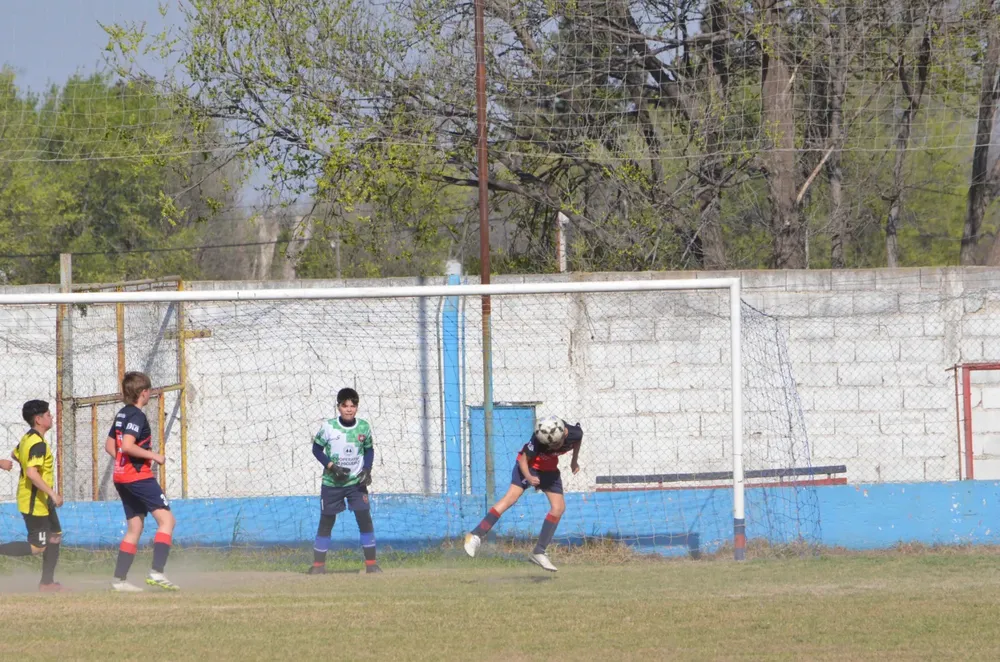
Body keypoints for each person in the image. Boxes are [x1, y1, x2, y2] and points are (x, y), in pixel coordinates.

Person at [464, 416, 583, 572]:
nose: (554, 447)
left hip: (549, 471)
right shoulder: (538, 439)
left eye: (556, 444)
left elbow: (577, 442)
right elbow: (522, 460)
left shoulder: (575, 433)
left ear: (563, 434)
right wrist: (528, 477)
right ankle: (475, 535)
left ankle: (539, 551)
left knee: (559, 508)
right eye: (550, 445)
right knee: (510, 498)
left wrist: (574, 461)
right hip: (529, 468)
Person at [105, 371, 178, 592]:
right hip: (138, 477)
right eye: (149, 391)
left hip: (121, 477)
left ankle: (119, 580)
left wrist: (123, 464)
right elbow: (126, 445)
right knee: (167, 521)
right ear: (143, 393)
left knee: (135, 526)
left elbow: (110, 446)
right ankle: (157, 572)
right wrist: (153, 456)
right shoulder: (137, 416)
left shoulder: (121, 414)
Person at [308, 387, 381, 575]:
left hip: (356, 483)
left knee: (364, 519)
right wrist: (333, 467)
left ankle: (371, 564)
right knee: (327, 521)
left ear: (357, 407)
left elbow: (369, 450)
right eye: (345, 406)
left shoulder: (363, 427)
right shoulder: (329, 427)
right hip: (333, 484)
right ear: (338, 407)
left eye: (352, 406)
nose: (349, 409)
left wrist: (367, 469)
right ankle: (318, 566)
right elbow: (316, 450)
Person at [0, 400, 67, 591]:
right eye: (48, 414)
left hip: (42, 501)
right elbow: (31, 472)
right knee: (38, 547)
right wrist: (53, 494)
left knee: (55, 536)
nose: (51, 416)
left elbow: (16, 455)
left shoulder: (28, 438)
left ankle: (47, 583)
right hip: (35, 502)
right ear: (38, 419)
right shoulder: (37, 444)